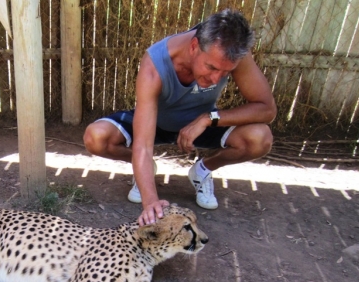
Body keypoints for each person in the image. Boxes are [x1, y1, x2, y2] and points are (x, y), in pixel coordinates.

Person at [83, 9, 277, 226]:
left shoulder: (233, 54)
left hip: (200, 126)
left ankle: (203, 170)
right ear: (194, 47)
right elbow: (143, 146)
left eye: (225, 73)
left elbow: (267, 109)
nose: (215, 79)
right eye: (211, 67)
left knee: (260, 138)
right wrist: (151, 204)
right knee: (96, 137)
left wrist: (207, 118)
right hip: (156, 122)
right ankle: (144, 171)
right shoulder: (155, 64)